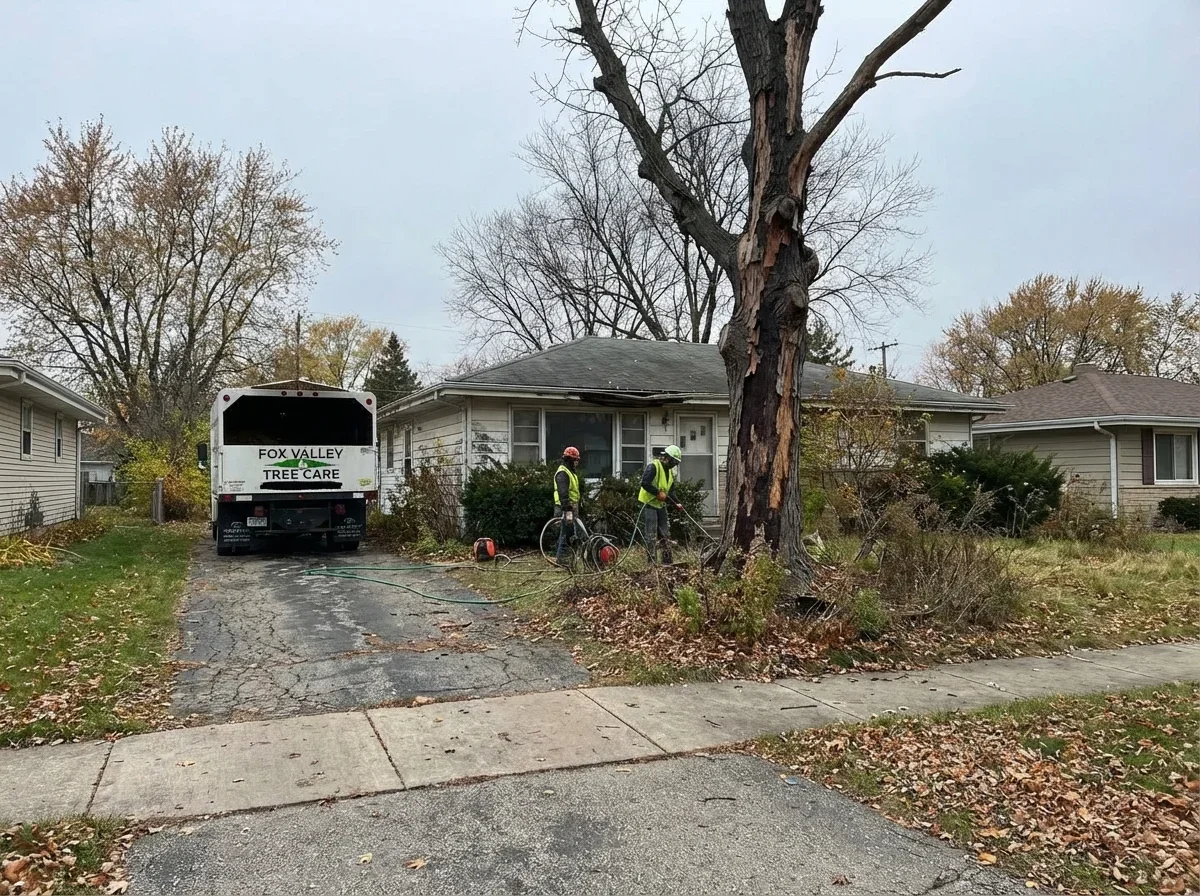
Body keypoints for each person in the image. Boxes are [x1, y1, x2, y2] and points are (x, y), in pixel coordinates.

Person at [638, 445, 683, 565]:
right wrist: (657, 493)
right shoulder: (653, 466)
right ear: (667, 458)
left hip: (660, 505)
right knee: (651, 535)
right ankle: (651, 563)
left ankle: (667, 562)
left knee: (665, 534)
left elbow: (671, 491)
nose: (674, 465)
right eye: (674, 462)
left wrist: (677, 503)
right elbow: (644, 483)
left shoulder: (670, 473)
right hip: (648, 505)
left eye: (676, 463)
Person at [552, 446, 582, 566]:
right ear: (569, 460)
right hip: (564, 508)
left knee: (566, 534)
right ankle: (562, 559)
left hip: (570, 507)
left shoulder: (570, 472)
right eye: (575, 460)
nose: (577, 463)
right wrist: (568, 509)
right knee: (566, 534)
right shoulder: (563, 473)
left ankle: (561, 557)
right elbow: (563, 492)